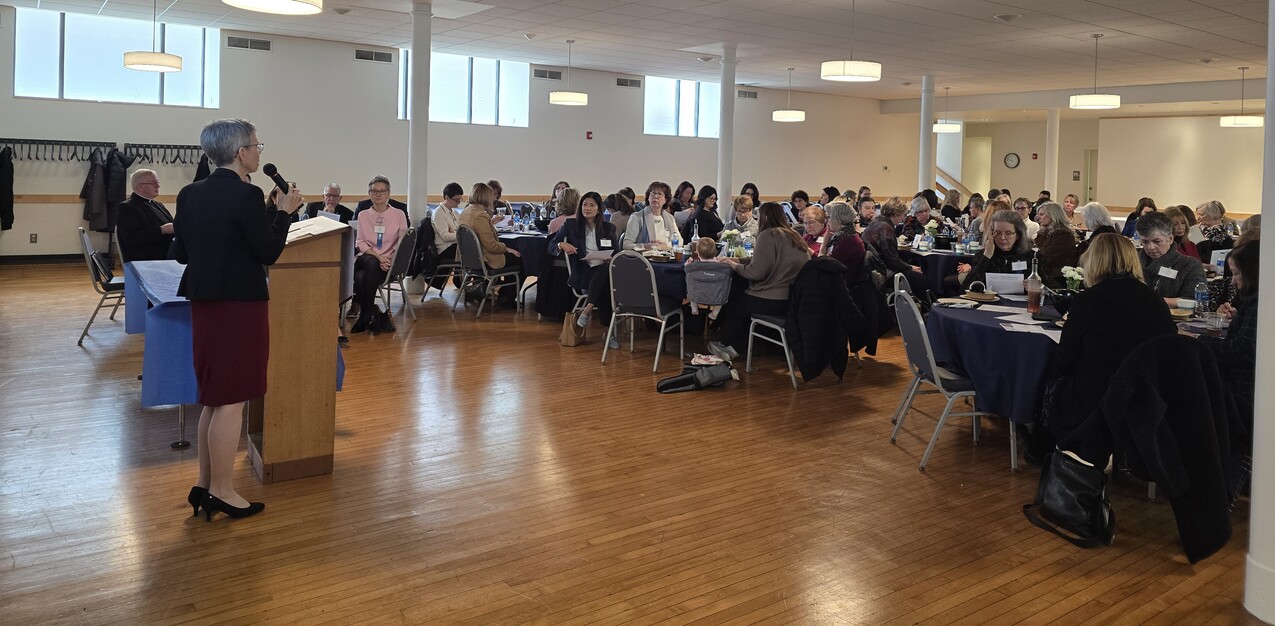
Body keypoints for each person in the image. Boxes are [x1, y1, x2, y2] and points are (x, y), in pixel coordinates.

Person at [172, 118, 302, 521]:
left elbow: (180, 253)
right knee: (232, 400)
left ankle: (206, 484)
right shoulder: (247, 196)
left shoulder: (189, 193)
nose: (259, 152)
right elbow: (267, 251)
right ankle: (224, 491)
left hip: (204, 301)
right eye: (257, 146)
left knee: (214, 397)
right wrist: (283, 213)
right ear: (240, 152)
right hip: (239, 304)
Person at [1045, 233, 1177, 459]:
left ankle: (1045, 452)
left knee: (1050, 382)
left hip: (1095, 396)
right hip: (1146, 393)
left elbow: (1064, 359)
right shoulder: (1154, 300)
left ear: (1094, 261)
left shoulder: (1088, 301)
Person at [707, 202, 812, 361]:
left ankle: (728, 345)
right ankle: (737, 347)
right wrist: (736, 259)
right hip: (792, 298)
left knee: (735, 302)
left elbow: (756, 272)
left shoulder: (768, 235)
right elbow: (763, 260)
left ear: (766, 217)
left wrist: (734, 266)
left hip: (772, 298)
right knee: (742, 299)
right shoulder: (794, 235)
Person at [1195, 241, 1258, 434]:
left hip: (1242, 390)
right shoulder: (1254, 302)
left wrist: (1198, 339)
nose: (1233, 281)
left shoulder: (1258, 304)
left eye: (1237, 273)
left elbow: (1242, 350)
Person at [548, 191, 618, 337]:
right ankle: (608, 333)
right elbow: (551, 244)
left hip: (604, 269)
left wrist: (612, 258)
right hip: (583, 271)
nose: (587, 208)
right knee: (605, 286)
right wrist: (561, 244)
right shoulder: (571, 225)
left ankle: (588, 309)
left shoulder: (608, 228)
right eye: (585, 205)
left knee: (604, 270)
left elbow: (617, 253)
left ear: (599, 209)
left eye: (592, 205)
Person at [350, 175, 410, 333]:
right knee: (370, 262)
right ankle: (370, 313)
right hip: (366, 258)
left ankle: (365, 315)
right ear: (369, 193)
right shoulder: (363, 214)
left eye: (382, 191)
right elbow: (360, 242)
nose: (378, 194)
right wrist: (379, 257)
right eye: (374, 191)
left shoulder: (399, 214)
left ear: (388, 193)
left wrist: (390, 258)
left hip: (388, 263)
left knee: (360, 277)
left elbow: (402, 242)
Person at [863, 197, 933, 296]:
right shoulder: (886, 228)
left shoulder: (875, 223)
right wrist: (910, 267)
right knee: (925, 282)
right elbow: (892, 261)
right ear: (896, 214)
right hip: (882, 273)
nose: (903, 218)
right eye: (903, 215)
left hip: (871, 270)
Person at [1136, 212, 1205, 308]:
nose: (1150, 247)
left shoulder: (1191, 265)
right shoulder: (1132, 264)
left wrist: (1151, 300)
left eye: (1157, 241)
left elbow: (1195, 301)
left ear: (1171, 238)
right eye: (1145, 242)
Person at [962, 209, 1044, 290]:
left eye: (1008, 233)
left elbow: (1052, 290)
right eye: (997, 233)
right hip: (988, 302)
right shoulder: (983, 255)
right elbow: (965, 289)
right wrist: (987, 256)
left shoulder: (1032, 257)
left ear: (1018, 235)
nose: (1002, 238)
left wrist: (1038, 287)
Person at [116, 168, 174, 262]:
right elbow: (131, 238)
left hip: (166, 253)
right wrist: (161, 230)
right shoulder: (128, 207)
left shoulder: (158, 204)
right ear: (140, 187)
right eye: (153, 183)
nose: (158, 186)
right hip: (148, 258)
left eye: (157, 182)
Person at [460, 181, 521, 270]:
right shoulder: (480, 216)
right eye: (491, 195)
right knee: (520, 259)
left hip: (469, 258)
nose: (493, 199)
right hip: (486, 259)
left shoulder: (466, 212)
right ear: (486, 197)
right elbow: (491, 246)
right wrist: (506, 248)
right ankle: (510, 284)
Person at [684, 237, 732, 321]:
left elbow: (686, 269)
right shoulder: (723, 268)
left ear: (698, 253)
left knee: (691, 285)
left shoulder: (692, 267)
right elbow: (730, 270)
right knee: (721, 291)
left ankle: (694, 309)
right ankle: (714, 313)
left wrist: (687, 264)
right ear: (715, 252)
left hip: (696, 295)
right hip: (717, 296)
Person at [1033, 201, 1079, 286]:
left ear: (1053, 215)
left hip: (1056, 279)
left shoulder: (1064, 235)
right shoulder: (1044, 233)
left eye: (1041, 214)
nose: (1037, 218)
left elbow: (1047, 256)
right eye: (1038, 214)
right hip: (1044, 275)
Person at [622, 181, 678, 250]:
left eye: (659, 194)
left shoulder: (670, 218)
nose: (655, 197)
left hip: (667, 257)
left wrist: (665, 245)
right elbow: (626, 245)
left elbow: (680, 241)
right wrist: (645, 246)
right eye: (653, 194)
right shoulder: (637, 217)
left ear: (665, 200)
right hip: (645, 258)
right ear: (648, 197)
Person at [822, 201, 866, 279]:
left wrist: (824, 244)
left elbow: (823, 266)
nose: (826, 221)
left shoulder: (848, 241)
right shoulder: (844, 236)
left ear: (839, 219)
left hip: (843, 285)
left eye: (828, 217)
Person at [433, 182, 464, 262]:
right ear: (447, 197)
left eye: (460, 199)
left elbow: (459, 229)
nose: (459, 202)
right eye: (456, 200)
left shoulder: (454, 212)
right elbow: (445, 236)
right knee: (471, 249)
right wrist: (459, 235)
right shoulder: (439, 212)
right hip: (444, 249)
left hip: (453, 245)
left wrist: (455, 233)